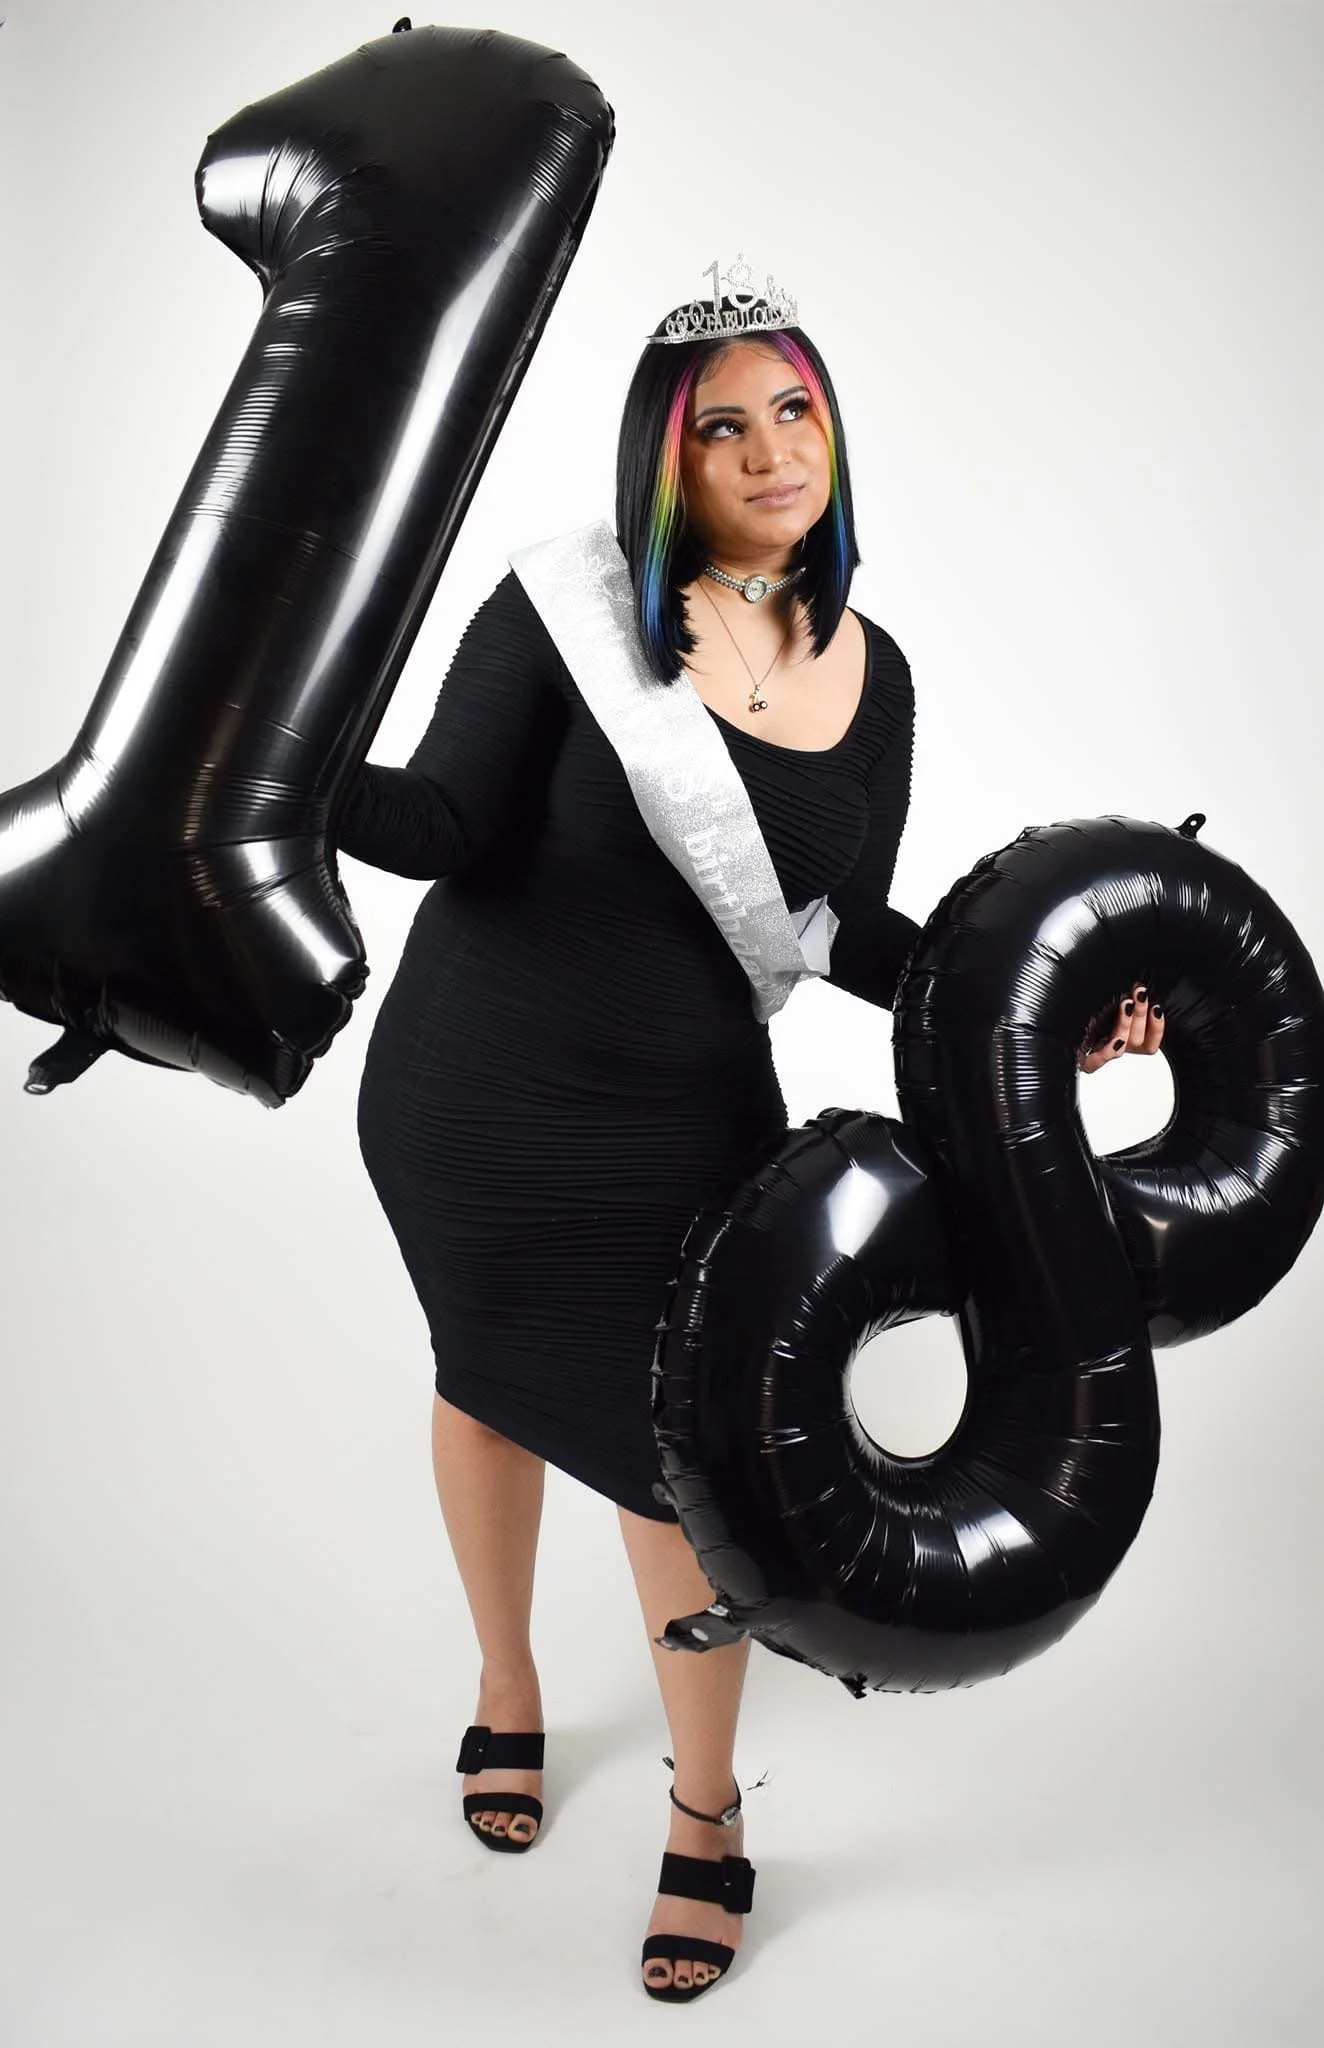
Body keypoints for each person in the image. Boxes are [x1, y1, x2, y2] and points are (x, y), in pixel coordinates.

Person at [335, 267, 1164, 2003]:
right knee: (483, 1383)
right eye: (724, 424)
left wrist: (1044, 1002)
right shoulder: (565, 606)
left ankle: (705, 1819)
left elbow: (838, 927)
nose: (771, 448)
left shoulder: (880, 671)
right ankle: (506, 1688)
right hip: (470, 1097)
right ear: (668, 458)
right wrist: (282, 746)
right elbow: (434, 824)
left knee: (670, 1465)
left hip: (681, 1123)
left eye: (794, 408)